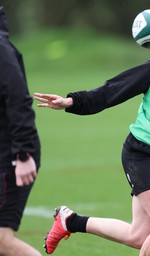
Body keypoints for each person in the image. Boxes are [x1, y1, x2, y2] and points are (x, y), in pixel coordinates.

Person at [34, 11, 150, 256]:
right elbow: (110, 91)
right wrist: (72, 101)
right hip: (143, 152)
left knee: (140, 235)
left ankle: (70, 221)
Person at [0, 5, 42, 256]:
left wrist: (23, 154)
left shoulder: (1, 50)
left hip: (11, 156)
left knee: (2, 240)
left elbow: (19, 100)